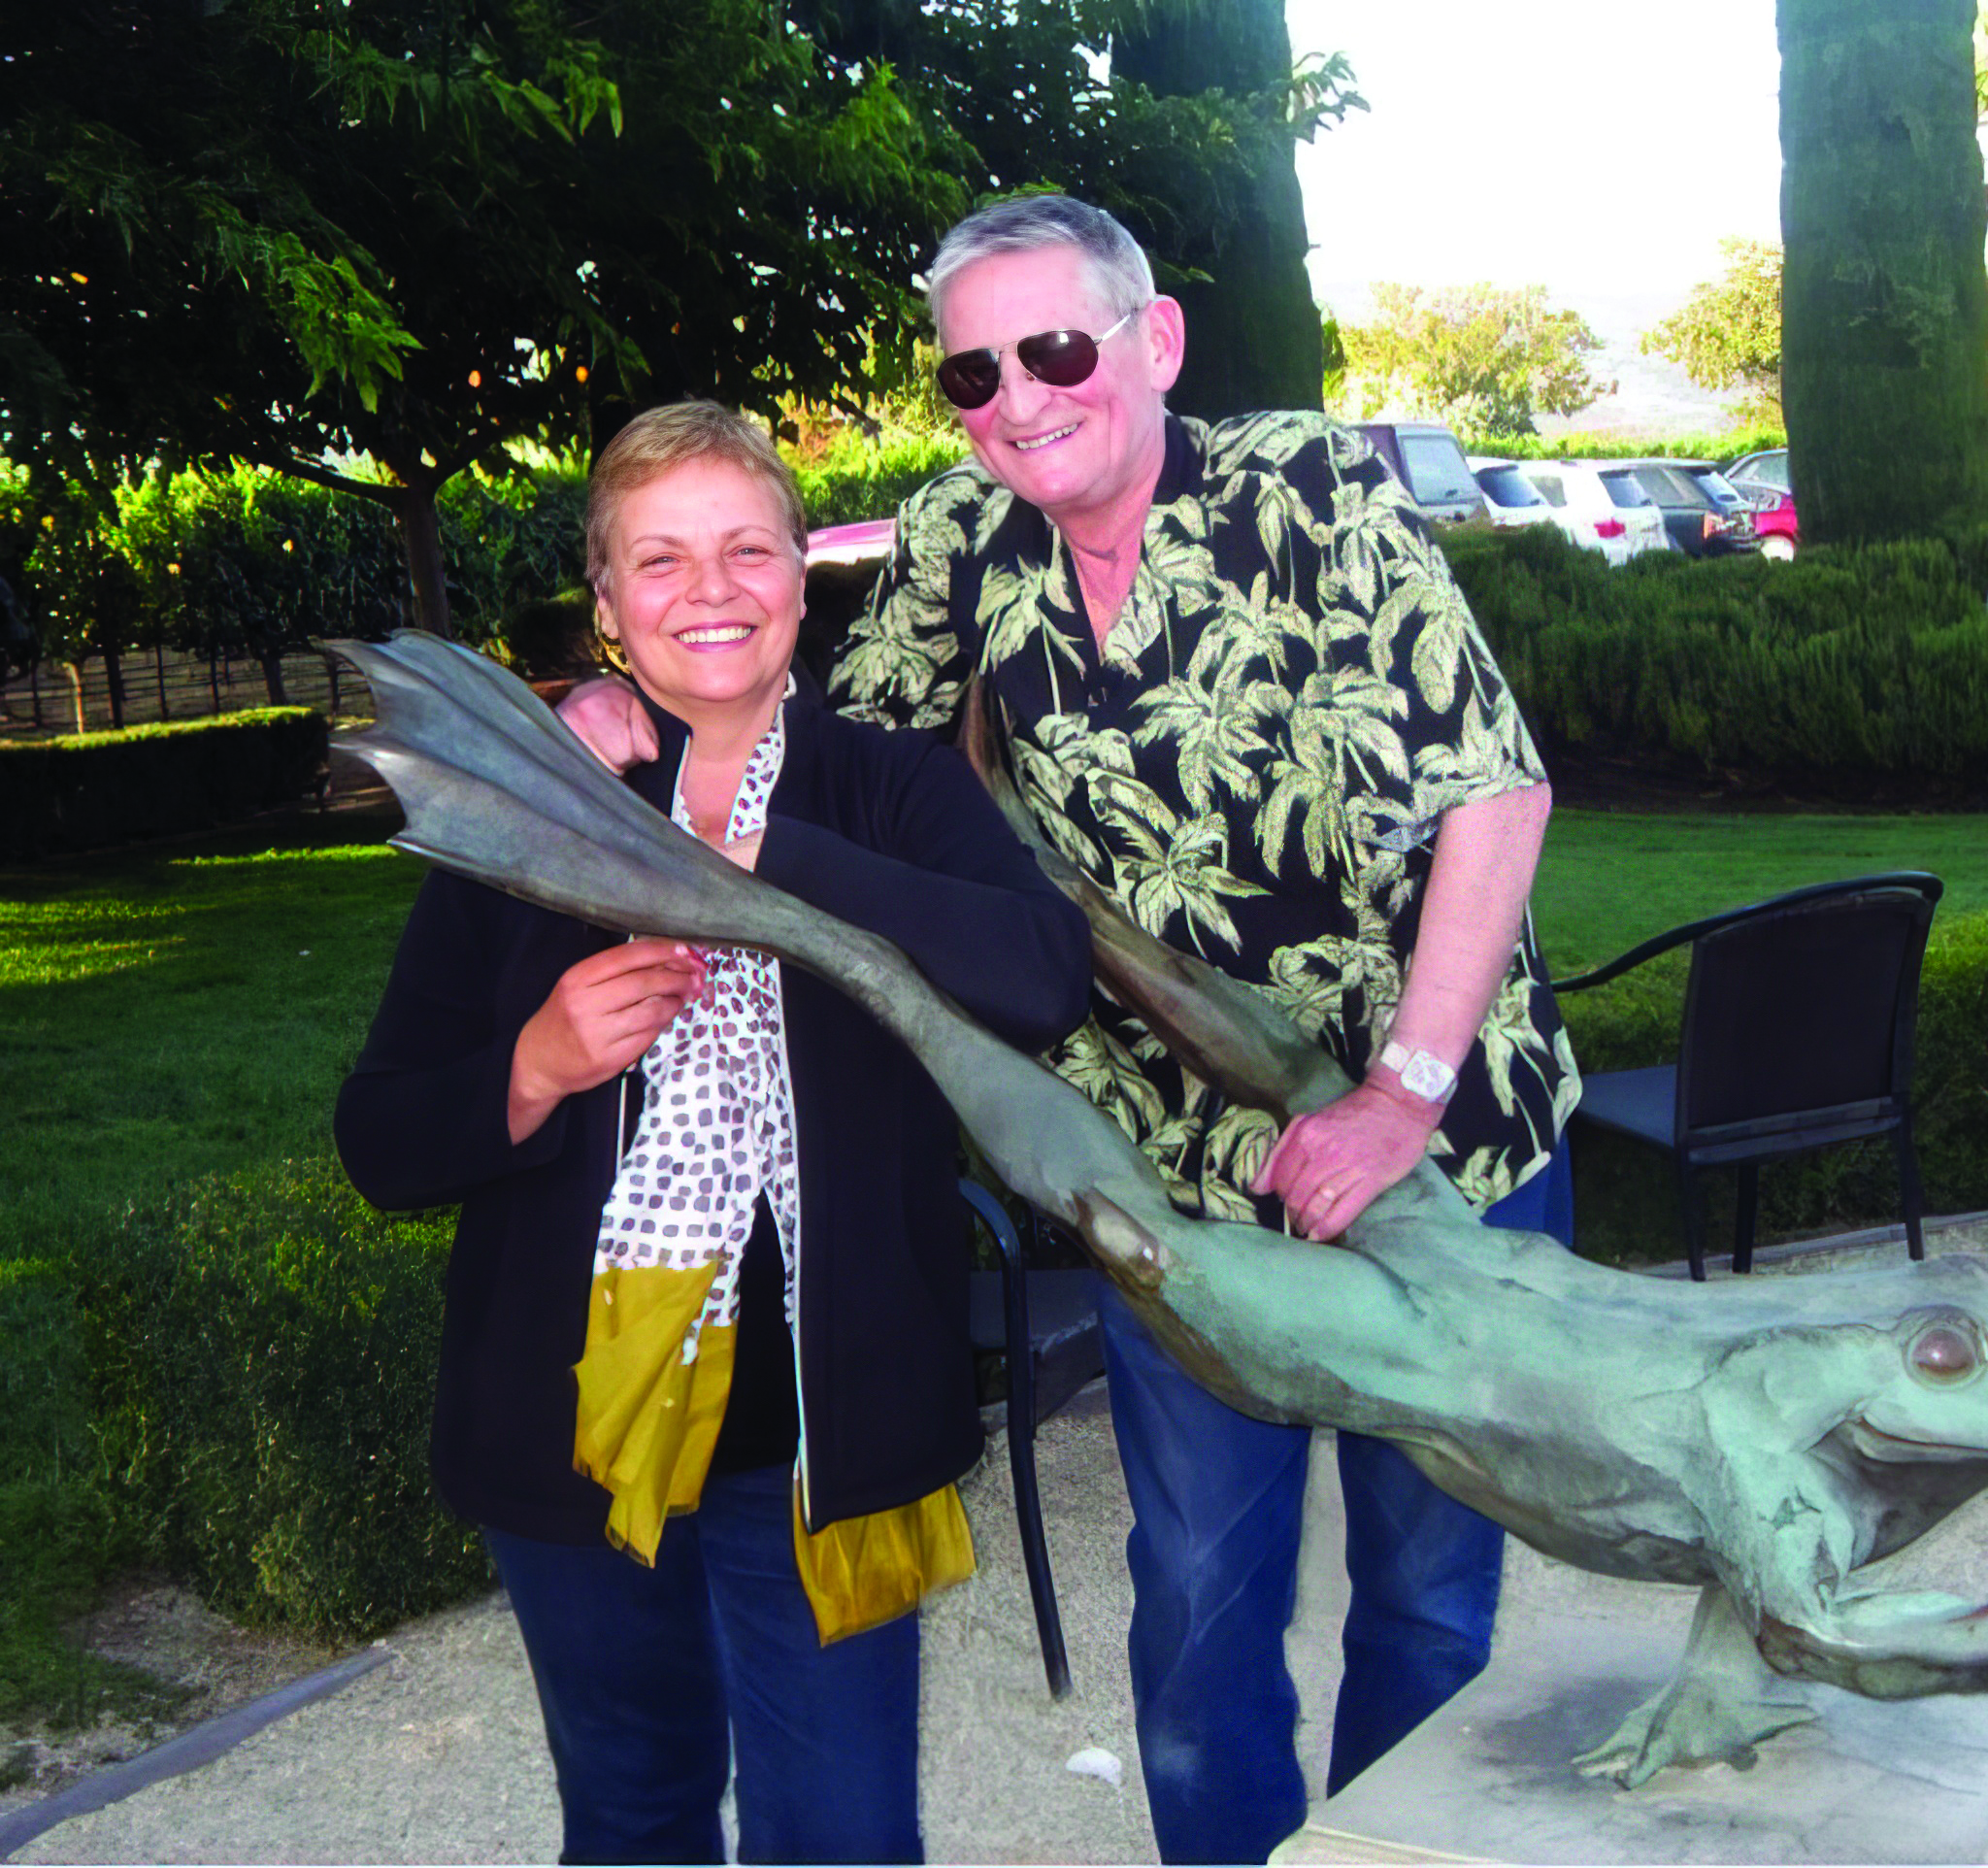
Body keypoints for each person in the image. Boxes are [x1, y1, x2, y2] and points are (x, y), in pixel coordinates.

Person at [561, 196, 1579, 1864]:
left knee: (1426, 1589)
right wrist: (617, 698)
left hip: (1434, 1141)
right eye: (975, 370)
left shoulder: (1308, 493)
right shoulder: (970, 528)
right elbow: (802, 715)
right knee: (1195, 1611)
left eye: (1054, 348)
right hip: (1168, 1170)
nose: (1019, 399)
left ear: (1152, 342)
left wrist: (1402, 1093)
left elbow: (1497, 788)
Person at [336, 401, 1091, 1866]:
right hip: (569, 1429)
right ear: (609, 604)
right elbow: (382, 1138)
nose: (713, 589)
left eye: (749, 548)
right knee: (633, 1817)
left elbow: (1042, 977)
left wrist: (769, 865)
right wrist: (536, 1067)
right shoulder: (531, 809)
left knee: (846, 1837)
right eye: (662, 560)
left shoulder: (889, 789)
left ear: (804, 576)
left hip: (830, 1437)